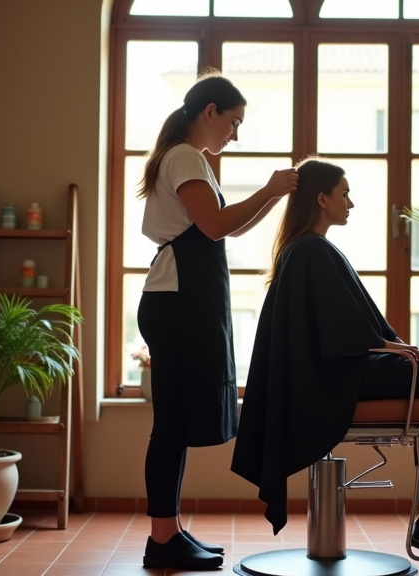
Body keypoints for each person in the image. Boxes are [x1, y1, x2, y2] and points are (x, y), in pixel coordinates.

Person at [231, 157, 419, 560]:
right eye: (344, 194)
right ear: (322, 199)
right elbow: (334, 330)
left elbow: (339, 324)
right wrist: (385, 345)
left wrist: (387, 344)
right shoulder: (310, 249)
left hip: (332, 373)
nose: (350, 203)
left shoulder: (306, 248)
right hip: (328, 380)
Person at [136, 70, 298, 571]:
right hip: (176, 304)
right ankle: (162, 537)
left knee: (175, 423)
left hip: (178, 302)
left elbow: (225, 229)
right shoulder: (185, 157)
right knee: (170, 425)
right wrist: (269, 189)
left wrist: (273, 196)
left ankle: (169, 530)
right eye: (233, 122)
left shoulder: (189, 159)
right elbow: (214, 226)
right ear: (210, 112)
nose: (235, 134)